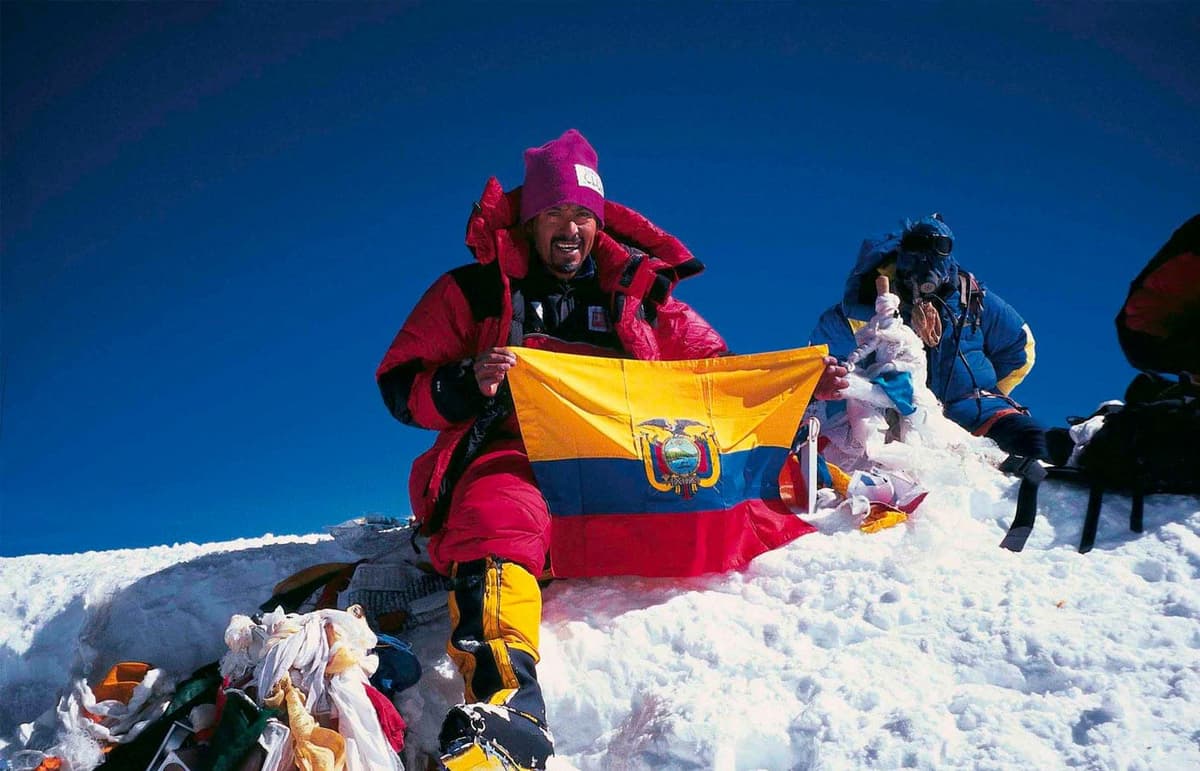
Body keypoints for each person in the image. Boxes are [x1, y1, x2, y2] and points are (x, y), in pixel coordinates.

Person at [377, 129, 847, 769]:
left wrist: (789, 393)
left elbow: (716, 376)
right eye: (554, 215)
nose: (569, 229)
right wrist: (464, 382)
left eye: (582, 215)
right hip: (513, 451)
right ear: (530, 219)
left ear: (598, 222)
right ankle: (505, 707)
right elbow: (402, 384)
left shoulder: (640, 295)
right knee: (496, 521)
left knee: (705, 494)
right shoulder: (474, 291)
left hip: (619, 458)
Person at [810, 213, 1047, 459]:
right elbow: (823, 363)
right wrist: (827, 385)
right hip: (898, 415)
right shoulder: (867, 307)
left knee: (1034, 441)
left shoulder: (970, 298)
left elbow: (1020, 348)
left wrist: (984, 389)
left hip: (975, 411)